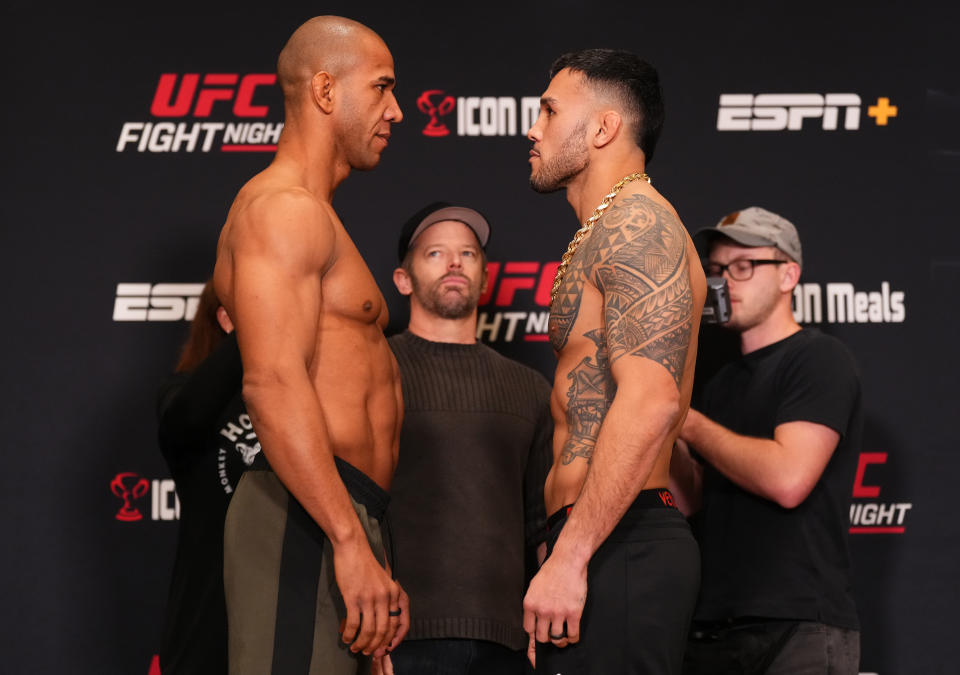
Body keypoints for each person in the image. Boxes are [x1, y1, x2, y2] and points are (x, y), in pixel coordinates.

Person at [212, 16, 407, 675]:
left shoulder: (317, 214)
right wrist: (348, 541)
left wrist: (362, 542)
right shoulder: (283, 210)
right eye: (381, 88)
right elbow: (270, 382)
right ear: (326, 90)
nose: (397, 110)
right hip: (306, 514)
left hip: (340, 511)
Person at [521, 49, 706, 674]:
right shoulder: (600, 232)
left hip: (619, 542)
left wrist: (571, 556)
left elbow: (652, 401)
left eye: (549, 110)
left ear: (603, 129)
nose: (532, 127)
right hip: (593, 540)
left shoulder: (642, 226)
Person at [673, 207, 862, 675]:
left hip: (798, 624)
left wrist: (689, 422)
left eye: (743, 266)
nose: (724, 282)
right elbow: (690, 500)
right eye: (716, 270)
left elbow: (788, 477)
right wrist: (659, 408)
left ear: (788, 275)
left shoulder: (818, 359)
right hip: (715, 623)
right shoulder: (717, 383)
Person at [384, 202, 553, 674]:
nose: (455, 263)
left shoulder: (530, 387)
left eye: (468, 254)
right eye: (435, 253)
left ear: (484, 278)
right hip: (399, 635)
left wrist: (542, 626)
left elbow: (543, 523)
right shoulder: (373, 371)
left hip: (506, 639)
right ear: (403, 279)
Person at [156, 280, 256, 674]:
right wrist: (258, 323)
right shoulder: (180, 394)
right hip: (208, 619)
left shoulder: (312, 398)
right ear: (226, 319)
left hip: (292, 605)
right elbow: (185, 419)